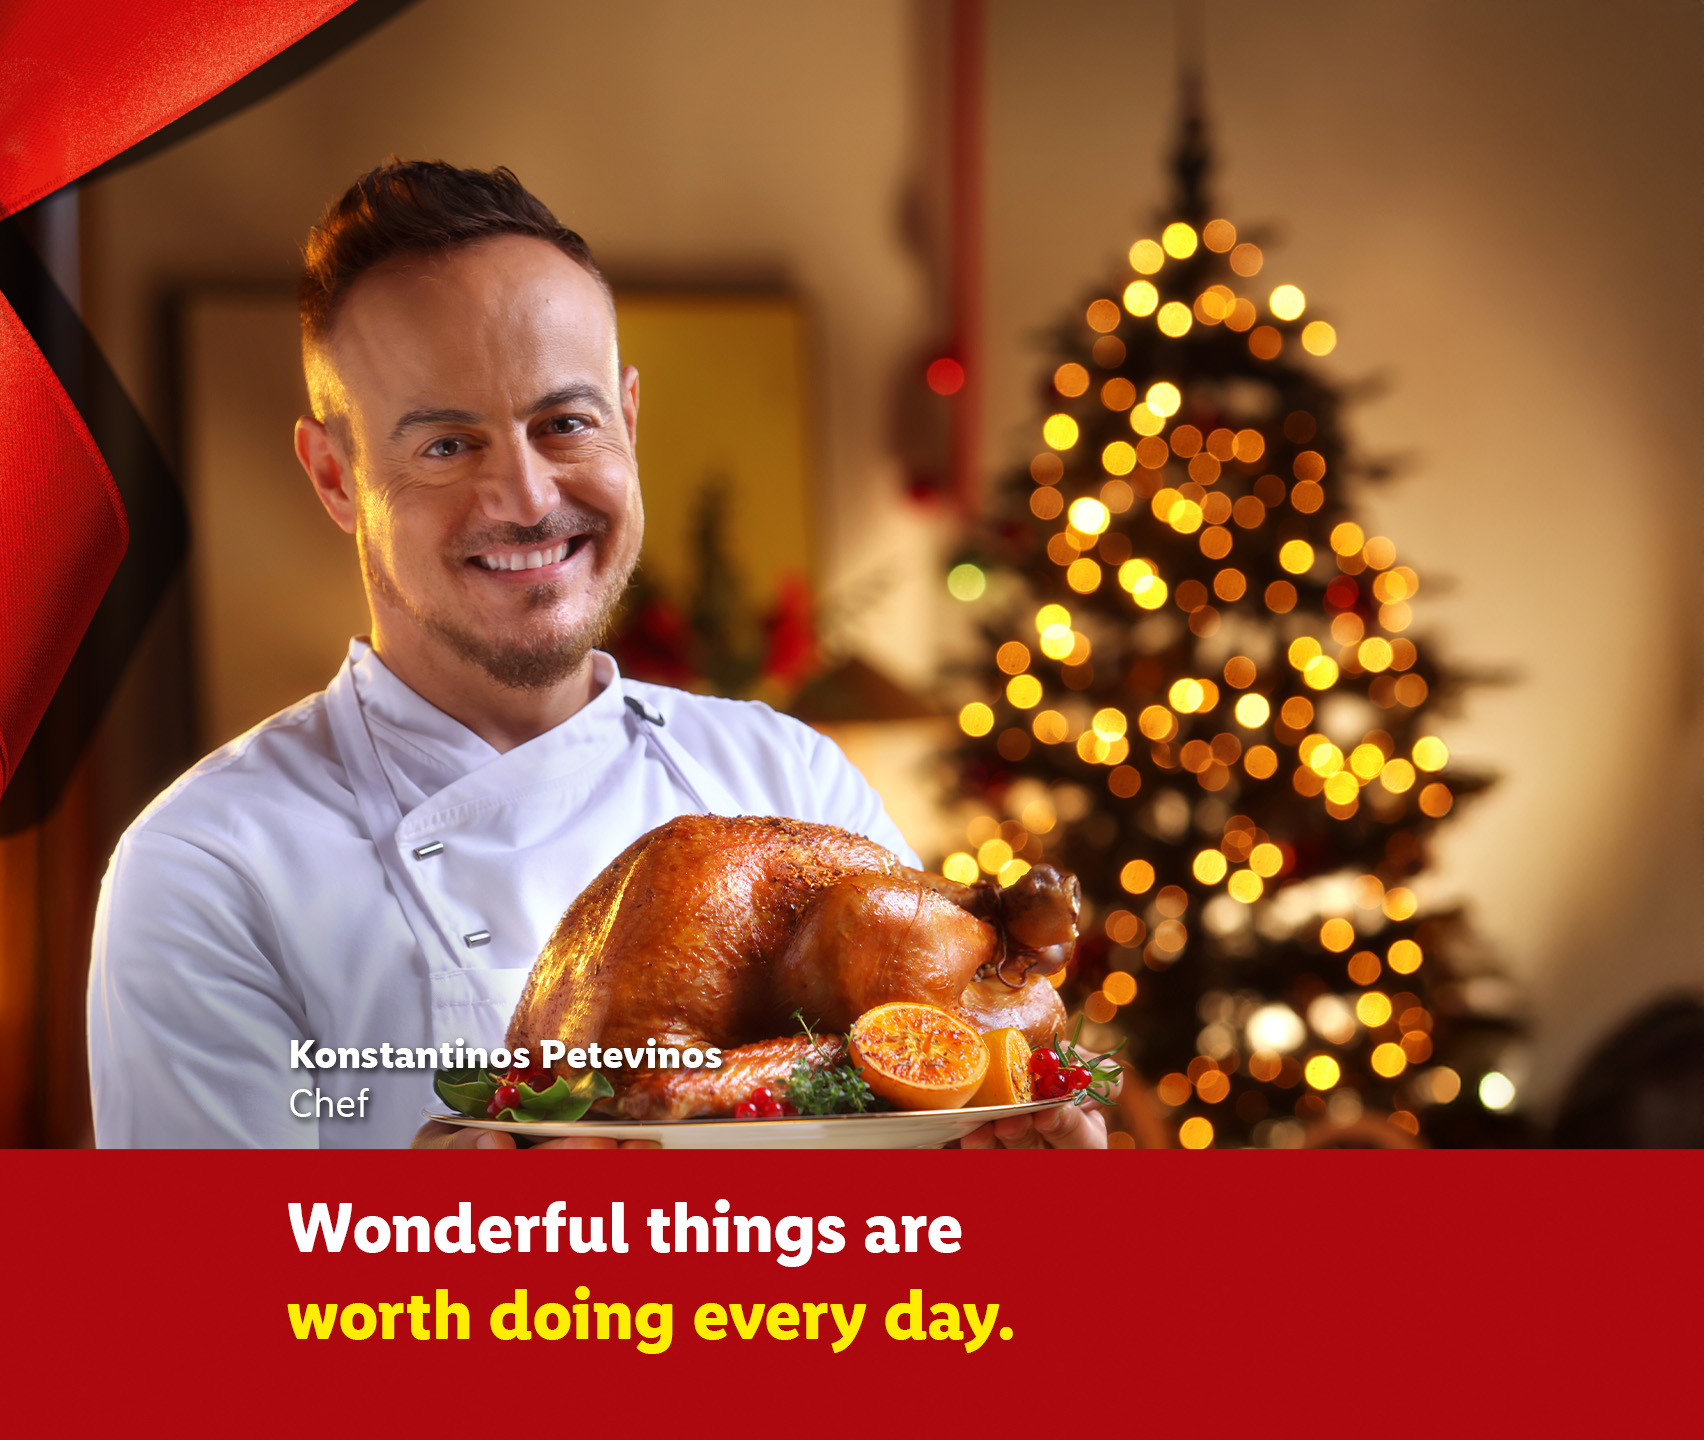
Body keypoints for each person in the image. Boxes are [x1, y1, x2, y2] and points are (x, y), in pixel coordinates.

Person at [86, 160, 1105, 1151]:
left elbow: (922, 1156)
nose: (527, 498)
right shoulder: (209, 866)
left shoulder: (787, 777)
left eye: (564, 422)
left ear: (627, 418)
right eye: (447, 445)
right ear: (335, 476)